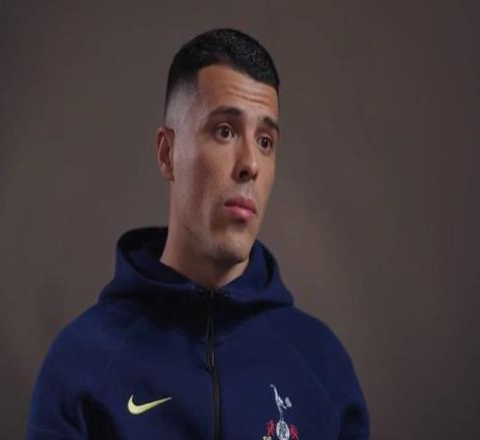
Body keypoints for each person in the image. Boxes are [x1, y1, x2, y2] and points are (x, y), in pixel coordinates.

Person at [26, 28, 370, 440]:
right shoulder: (81, 364)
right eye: (225, 131)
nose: (251, 164)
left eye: (265, 141)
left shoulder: (323, 367)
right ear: (167, 154)